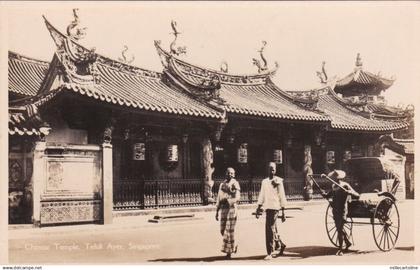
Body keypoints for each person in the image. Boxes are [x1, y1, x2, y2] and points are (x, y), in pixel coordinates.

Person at [321, 170, 359, 256]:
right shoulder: (334, 186)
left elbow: (357, 195)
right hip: (335, 209)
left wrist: (350, 192)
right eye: (333, 178)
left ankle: (340, 249)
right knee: (339, 228)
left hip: (342, 209)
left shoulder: (345, 185)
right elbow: (329, 195)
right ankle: (347, 242)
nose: (334, 179)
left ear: (339, 178)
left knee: (340, 229)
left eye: (335, 178)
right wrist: (324, 194)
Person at [255, 162, 287, 260]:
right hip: (267, 208)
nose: (271, 171)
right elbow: (262, 195)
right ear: (267, 169)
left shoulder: (278, 181)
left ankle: (270, 252)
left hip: (275, 208)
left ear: (275, 170)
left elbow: (282, 196)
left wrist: (283, 211)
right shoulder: (264, 182)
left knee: (269, 229)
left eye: (273, 169)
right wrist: (258, 206)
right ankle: (281, 244)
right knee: (273, 229)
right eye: (270, 169)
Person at [215, 167, 241, 259]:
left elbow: (238, 198)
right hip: (223, 209)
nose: (229, 174)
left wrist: (229, 201)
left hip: (231, 209)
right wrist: (217, 211)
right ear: (225, 173)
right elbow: (219, 197)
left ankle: (229, 252)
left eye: (231, 173)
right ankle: (235, 244)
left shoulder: (235, 183)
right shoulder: (222, 184)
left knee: (228, 231)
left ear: (234, 174)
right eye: (228, 173)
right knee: (222, 230)